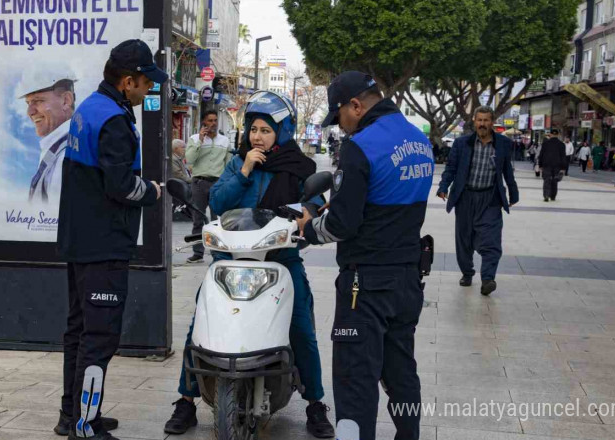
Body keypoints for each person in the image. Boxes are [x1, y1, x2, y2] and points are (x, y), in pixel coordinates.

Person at [164, 91, 335, 439]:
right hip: (231, 259)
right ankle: (186, 400)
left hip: (280, 259)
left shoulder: (299, 166)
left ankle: (316, 404)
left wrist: (309, 212)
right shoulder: (235, 162)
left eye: (266, 130)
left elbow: (313, 199)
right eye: (253, 129)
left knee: (301, 326)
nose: (257, 136)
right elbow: (217, 202)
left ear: (282, 132)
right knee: (199, 324)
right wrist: (243, 170)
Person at [295, 71, 432, 440]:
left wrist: (307, 228)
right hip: (407, 280)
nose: (340, 126)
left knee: (355, 380)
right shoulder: (420, 140)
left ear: (356, 105)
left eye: (339, 116)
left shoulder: (362, 146)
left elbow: (342, 225)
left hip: (365, 286)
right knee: (401, 372)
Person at [55, 39, 167, 440]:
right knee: (100, 337)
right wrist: (153, 191)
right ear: (127, 81)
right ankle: (85, 426)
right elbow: (120, 187)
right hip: (103, 244)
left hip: (80, 240)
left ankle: (74, 415)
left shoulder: (91, 107)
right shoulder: (115, 121)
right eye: (145, 81)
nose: (149, 88)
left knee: (80, 332)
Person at [437, 106, 519, 296]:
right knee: (464, 240)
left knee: (491, 240)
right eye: (479, 120)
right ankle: (467, 272)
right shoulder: (461, 143)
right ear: (474, 121)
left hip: (490, 198)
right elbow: (451, 168)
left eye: (486, 120)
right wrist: (443, 187)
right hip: (465, 197)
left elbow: (507, 170)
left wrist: (513, 193)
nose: (482, 124)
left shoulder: (503, 144)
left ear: (492, 122)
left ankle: (488, 279)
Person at [18, 68, 76, 203]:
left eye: (38, 100)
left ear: (66, 101)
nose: (30, 111)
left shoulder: (66, 156)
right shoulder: (60, 146)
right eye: (28, 103)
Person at [185, 110, 232, 263]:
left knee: (216, 220)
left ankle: (217, 252)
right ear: (204, 122)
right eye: (210, 120)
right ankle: (197, 253)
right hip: (199, 182)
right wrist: (200, 140)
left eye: (215, 120)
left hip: (217, 183)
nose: (213, 123)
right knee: (197, 219)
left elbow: (228, 164)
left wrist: (226, 183)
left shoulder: (224, 141)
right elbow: (189, 159)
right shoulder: (194, 139)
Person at [538, 129, 567, 202]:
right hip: (557, 165)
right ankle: (553, 196)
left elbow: (541, 155)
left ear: (550, 134)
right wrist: (563, 167)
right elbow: (563, 156)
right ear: (557, 135)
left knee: (547, 180)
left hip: (546, 164)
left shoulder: (545, 143)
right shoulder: (561, 144)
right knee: (555, 181)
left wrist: (540, 165)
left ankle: (546, 195)